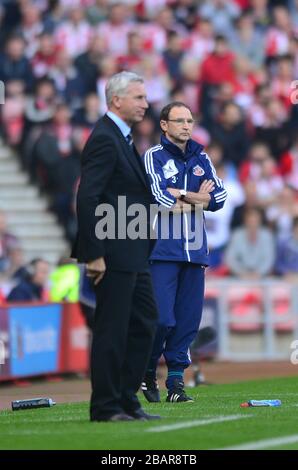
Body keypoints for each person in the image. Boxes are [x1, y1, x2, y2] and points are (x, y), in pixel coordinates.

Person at [71, 71, 159, 422]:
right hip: (113, 253)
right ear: (117, 100)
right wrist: (93, 253)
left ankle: (126, 400)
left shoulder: (121, 138)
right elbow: (88, 197)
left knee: (145, 323)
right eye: (138, 97)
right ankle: (106, 406)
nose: (146, 103)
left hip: (133, 252)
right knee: (112, 329)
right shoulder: (106, 138)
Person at [142, 101, 227, 403]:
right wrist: (195, 196)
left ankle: (176, 384)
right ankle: (148, 370)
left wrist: (181, 194)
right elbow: (159, 197)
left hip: (195, 252)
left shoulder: (201, 156)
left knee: (187, 321)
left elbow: (220, 197)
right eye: (179, 121)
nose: (187, 126)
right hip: (163, 250)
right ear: (164, 125)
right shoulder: (153, 156)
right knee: (162, 319)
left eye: (190, 120)